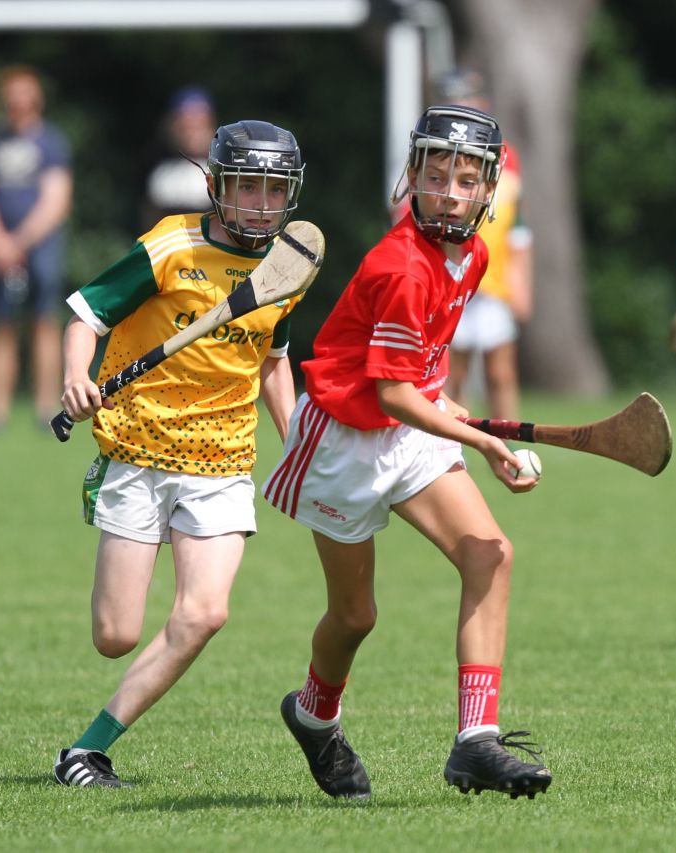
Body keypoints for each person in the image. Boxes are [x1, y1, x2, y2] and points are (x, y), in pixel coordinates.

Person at [262, 104, 552, 801]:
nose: (450, 191)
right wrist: (482, 438)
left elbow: (421, 375)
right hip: (341, 441)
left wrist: (450, 410)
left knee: (491, 553)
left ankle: (476, 740)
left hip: (405, 429)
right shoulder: (402, 266)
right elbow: (389, 395)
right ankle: (313, 716)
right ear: (412, 175)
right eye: (436, 174)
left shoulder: (475, 254)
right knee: (356, 616)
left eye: (466, 179)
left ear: (490, 190)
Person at [51, 120, 307, 788]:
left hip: (223, 459)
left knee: (205, 612)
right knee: (115, 635)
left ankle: (88, 750)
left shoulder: (287, 266)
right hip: (137, 450)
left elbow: (273, 360)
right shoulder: (170, 244)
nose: (258, 202)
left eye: (272, 189)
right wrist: (76, 378)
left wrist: (301, 442)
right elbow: (86, 317)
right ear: (216, 186)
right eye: (246, 186)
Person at [0, 65, 73, 432]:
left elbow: (56, 200)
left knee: (44, 323)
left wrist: (19, 241)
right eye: (12, 96)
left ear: (36, 100)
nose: (18, 103)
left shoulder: (51, 144)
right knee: (2, 324)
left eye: (25, 95)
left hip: (39, 248)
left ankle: (46, 409)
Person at [431, 71, 533, 421]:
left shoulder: (505, 157)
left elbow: (515, 224)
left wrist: (520, 279)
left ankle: (505, 434)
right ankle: (451, 441)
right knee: (451, 371)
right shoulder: (432, 153)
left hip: (492, 275)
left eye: (467, 100)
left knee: (501, 371)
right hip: (449, 274)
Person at [141, 86, 217, 230]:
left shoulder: (227, 170)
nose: (192, 135)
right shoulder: (161, 173)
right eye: (186, 128)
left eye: (199, 127)